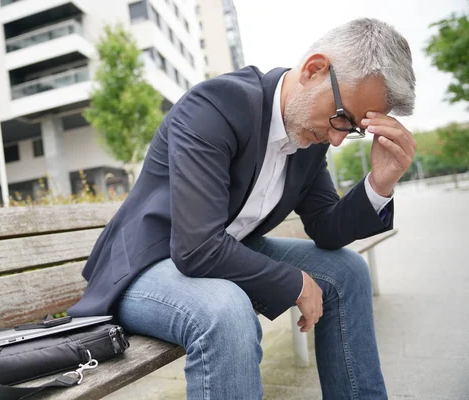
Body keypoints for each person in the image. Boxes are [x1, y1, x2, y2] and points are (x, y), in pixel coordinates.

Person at [68, 17, 416, 399]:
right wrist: (294, 281)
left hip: (223, 253)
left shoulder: (311, 135)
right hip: (146, 265)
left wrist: (380, 182)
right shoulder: (215, 106)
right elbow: (196, 247)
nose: (336, 139)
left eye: (352, 130)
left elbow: (327, 228)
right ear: (314, 70)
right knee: (225, 310)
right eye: (342, 118)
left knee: (347, 271)